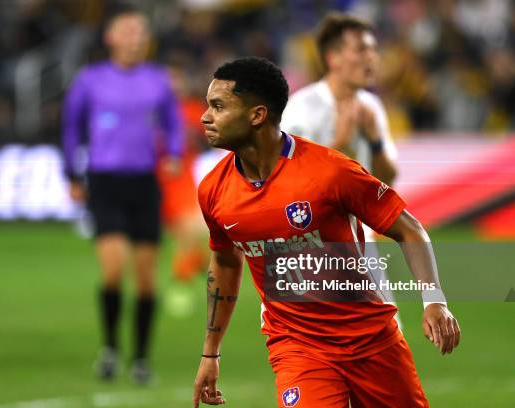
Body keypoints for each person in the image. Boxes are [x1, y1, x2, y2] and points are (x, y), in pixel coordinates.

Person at [192, 57, 460, 407]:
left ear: (257, 115)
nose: (205, 116)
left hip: (371, 339)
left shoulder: (330, 172)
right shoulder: (213, 190)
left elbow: (408, 229)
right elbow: (225, 263)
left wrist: (434, 300)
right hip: (297, 348)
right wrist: (210, 353)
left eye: (218, 106)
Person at [61, 6, 183, 384]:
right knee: (114, 271)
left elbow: (173, 123)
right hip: (105, 181)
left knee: (146, 279)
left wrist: (175, 154)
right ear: (110, 38)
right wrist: (71, 172)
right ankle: (111, 348)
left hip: (145, 183)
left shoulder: (158, 80)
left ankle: (142, 358)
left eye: (141, 32)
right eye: (128, 31)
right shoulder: (91, 80)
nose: (136, 38)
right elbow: (71, 127)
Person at [280, 13, 400, 315]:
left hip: (359, 239)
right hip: (310, 245)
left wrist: (374, 141)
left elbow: (388, 179)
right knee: (319, 346)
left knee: (386, 336)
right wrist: (339, 143)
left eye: (373, 49)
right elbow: (286, 183)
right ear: (333, 58)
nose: (371, 57)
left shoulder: (370, 106)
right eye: (361, 49)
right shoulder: (301, 110)